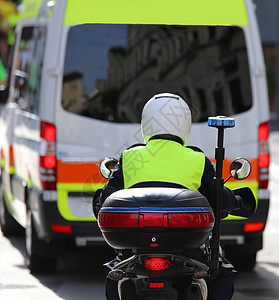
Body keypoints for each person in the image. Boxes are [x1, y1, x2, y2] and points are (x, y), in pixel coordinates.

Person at [93, 93, 239, 300]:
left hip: (135, 251)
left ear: (146, 124)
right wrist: (236, 202)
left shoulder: (130, 158)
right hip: (189, 250)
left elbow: (106, 199)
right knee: (222, 274)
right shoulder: (197, 160)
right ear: (185, 124)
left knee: (115, 274)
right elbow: (219, 201)